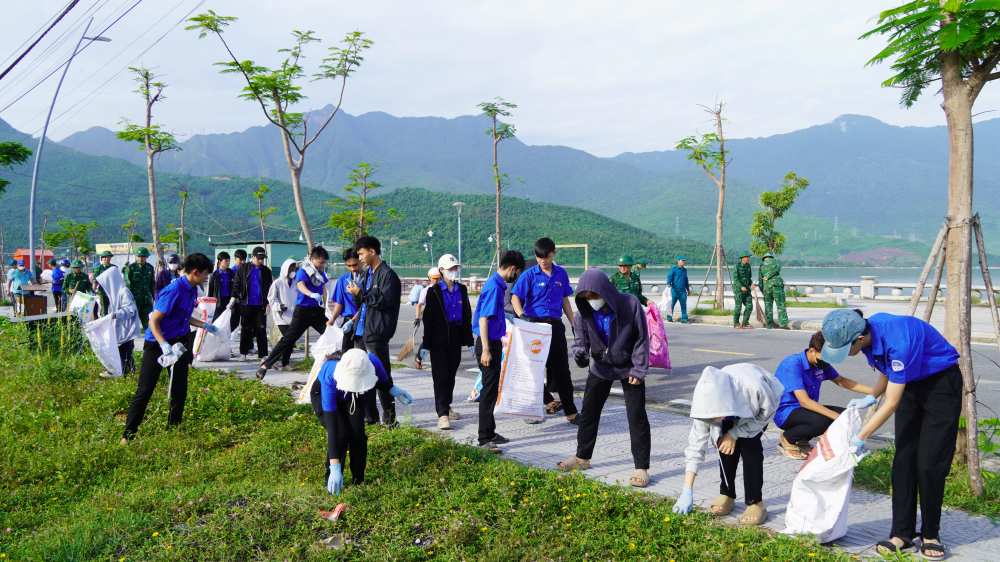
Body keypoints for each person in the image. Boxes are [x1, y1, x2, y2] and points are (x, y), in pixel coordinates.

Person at [820, 309, 960, 560]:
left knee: (930, 464)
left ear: (859, 339)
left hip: (940, 385)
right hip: (909, 382)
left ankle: (930, 534)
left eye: (845, 349)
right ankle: (901, 534)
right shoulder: (868, 329)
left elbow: (892, 402)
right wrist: (872, 396)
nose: (846, 355)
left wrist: (862, 435)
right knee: (904, 461)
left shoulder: (899, 341)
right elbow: (888, 368)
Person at [558, 268, 652, 487]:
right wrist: (580, 354)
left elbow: (641, 339)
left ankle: (641, 467)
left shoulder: (630, 304)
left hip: (629, 368)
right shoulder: (584, 311)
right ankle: (582, 458)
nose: (592, 302)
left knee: (636, 416)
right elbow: (580, 340)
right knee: (589, 413)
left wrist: (639, 370)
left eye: (594, 297)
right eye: (586, 298)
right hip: (600, 367)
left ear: (605, 291)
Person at [120, 253, 219, 443]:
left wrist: (203, 325)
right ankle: (128, 435)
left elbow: (182, 316)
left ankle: (174, 428)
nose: (207, 278)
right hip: (158, 344)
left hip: (179, 343)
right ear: (195, 272)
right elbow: (154, 321)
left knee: (179, 388)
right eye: (206, 274)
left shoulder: (192, 289)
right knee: (145, 389)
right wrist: (164, 345)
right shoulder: (173, 290)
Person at [672, 363, 784, 526]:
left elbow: (765, 415)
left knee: (749, 446)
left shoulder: (754, 389)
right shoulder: (705, 405)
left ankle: (755, 502)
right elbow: (696, 446)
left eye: (714, 415)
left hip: (758, 410)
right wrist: (687, 490)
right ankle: (727, 494)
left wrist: (733, 433)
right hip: (732, 409)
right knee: (723, 445)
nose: (711, 420)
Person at [312, 348, 414, 494]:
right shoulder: (329, 373)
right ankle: (331, 481)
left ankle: (358, 481)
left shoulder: (371, 361)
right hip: (325, 395)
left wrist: (395, 391)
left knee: (358, 436)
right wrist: (334, 467)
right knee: (342, 434)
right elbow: (333, 427)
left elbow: (382, 382)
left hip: (354, 395)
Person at [773, 331, 873, 460]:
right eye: (824, 358)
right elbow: (804, 401)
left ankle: (803, 439)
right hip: (787, 412)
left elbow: (841, 381)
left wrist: (876, 391)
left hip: (805, 411)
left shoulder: (819, 363)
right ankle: (787, 439)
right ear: (812, 351)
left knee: (847, 414)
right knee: (822, 421)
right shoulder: (793, 364)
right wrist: (836, 418)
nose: (826, 362)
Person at [511, 237, 579, 425]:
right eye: (539, 257)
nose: (543, 260)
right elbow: (516, 297)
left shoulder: (561, 274)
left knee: (562, 372)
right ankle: (532, 412)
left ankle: (571, 413)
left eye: (546, 257)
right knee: (533, 370)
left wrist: (574, 324)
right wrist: (522, 315)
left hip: (555, 327)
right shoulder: (529, 274)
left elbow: (566, 300)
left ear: (554, 254)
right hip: (534, 327)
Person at [346, 235, 402, 426]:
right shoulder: (365, 274)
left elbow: (385, 303)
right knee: (362, 375)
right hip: (361, 332)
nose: (359, 258)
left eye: (361, 254)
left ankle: (390, 420)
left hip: (377, 333)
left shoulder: (388, 275)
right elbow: (362, 301)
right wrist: (354, 293)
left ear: (372, 251)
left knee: (381, 377)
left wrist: (360, 294)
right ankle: (371, 417)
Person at [473, 250, 525, 453]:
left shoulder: (495, 284)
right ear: (512, 269)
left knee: (492, 389)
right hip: (488, 345)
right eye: (517, 273)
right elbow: (483, 319)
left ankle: (491, 431)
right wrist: (486, 350)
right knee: (488, 391)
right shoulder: (494, 287)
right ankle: (484, 438)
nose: (516, 277)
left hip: (492, 343)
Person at [421, 254, 474, 430]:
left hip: (456, 337)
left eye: (455, 268)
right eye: (450, 269)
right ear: (441, 270)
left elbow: (467, 316)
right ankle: (442, 414)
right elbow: (428, 320)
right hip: (438, 340)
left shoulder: (462, 289)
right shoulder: (434, 291)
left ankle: (447, 406)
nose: (454, 271)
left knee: (451, 374)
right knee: (440, 376)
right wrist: (425, 345)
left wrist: (470, 341)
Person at [258, 246, 328, 377]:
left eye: (324, 263)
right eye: (321, 262)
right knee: (288, 340)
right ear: (312, 259)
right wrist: (311, 294)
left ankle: (337, 362)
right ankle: (265, 365)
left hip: (317, 311)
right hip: (303, 311)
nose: (322, 265)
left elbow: (327, 285)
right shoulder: (303, 271)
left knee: (332, 332)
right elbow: (300, 285)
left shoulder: (320, 274)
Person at [96, 266, 141, 378]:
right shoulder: (114, 294)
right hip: (120, 329)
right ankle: (124, 373)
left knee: (126, 354)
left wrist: (115, 315)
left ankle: (129, 375)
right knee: (120, 353)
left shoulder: (123, 292)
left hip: (126, 330)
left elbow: (130, 310)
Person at [233, 247, 273, 362]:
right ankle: (243, 352)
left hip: (260, 304)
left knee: (261, 328)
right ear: (253, 256)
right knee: (245, 328)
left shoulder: (266, 271)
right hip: (247, 303)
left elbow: (269, 288)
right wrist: (234, 297)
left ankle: (262, 354)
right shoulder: (243, 268)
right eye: (258, 258)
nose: (260, 261)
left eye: (262, 259)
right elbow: (237, 284)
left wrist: (268, 303)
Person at [265, 258, 300, 371]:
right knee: (287, 340)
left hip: (293, 317)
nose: (293, 271)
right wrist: (278, 306)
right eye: (291, 269)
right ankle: (280, 362)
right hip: (281, 317)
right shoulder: (277, 283)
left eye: (294, 269)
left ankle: (280, 361)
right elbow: (271, 298)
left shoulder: (296, 283)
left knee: (288, 341)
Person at [328, 248, 364, 352]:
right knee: (346, 352)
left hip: (363, 319)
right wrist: (332, 319)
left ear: (361, 262)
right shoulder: (343, 279)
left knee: (361, 352)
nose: (352, 269)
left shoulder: (369, 279)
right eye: (349, 266)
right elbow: (340, 302)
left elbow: (366, 305)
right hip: (348, 320)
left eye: (355, 265)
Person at [413, 267, 442, 369]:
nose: (435, 280)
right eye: (433, 278)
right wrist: (417, 318)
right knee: (430, 339)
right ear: (429, 278)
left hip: (442, 318)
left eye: (438, 278)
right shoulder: (425, 291)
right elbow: (419, 305)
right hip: (430, 318)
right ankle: (419, 357)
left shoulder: (444, 289)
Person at [124, 247, 156, 331]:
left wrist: (155, 298)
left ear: (147, 257)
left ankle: (149, 342)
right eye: (138, 256)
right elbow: (127, 285)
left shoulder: (150, 268)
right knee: (132, 325)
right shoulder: (131, 268)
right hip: (134, 300)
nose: (140, 258)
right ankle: (131, 344)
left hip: (146, 301)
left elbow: (152, 285)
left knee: (149, 324)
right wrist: (129, 300)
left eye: (143, 256)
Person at [208, 252, 239, 333]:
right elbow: (210, 291)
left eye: (229, 261)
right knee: (218, 323)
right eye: (226, 261)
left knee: (230, 323)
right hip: (218, 302)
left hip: (229, 301)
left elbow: (235, 287)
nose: (228, 263)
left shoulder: (231, 273)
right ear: (219, 261)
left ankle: (226, 339)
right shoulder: (214, 275)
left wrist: (234, 302)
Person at [760, 252, 789, 330]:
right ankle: (783, 324)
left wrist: (762, 289)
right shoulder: (776, 261)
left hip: (767, 288)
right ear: (771, 257)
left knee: (768, 307)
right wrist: (770, 275)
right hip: (777, 287)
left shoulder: (762, 265)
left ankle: (768, 324)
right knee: (781, 305)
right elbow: (777, 269)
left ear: (764, 259)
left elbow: (760, 279)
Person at [666, 255, 691, 323]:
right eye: (682, 260)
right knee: (672, 304)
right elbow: (669, 277)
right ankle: (669, 317)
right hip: (674, 290)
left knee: (683, 305)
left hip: (683, 291)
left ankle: (684, 319)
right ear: (678, 261)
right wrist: (668, 284)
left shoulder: (685, 270)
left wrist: (688, 290)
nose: (683, 262)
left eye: (684, 261)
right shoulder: (673, 269)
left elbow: (686, 280)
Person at [733, 251, 754, 329]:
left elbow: (749, 278)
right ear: (742, 258)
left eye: (749, 257)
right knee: (738, 307)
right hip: (739, 290)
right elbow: (736, 279)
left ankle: (745, 322)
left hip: (747, 290)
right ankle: (736, 323)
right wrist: (741, 287)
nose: (748, 258)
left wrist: (751, 284)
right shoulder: (737, 266)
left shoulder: (748, 266)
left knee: (749, 306)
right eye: (747, 257)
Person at [230, 249, 247, 341]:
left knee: (247, 324)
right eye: (240, 259)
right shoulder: (231, 272)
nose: (242, 262)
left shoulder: (247, 270)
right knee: (233, 324)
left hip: (246, 301)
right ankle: (227, 345)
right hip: (236, 302)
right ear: (235, 258)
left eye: (244, 259)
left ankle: (249, 346)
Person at [92, 250, 117, 316]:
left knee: (114, 308)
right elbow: (95, 280)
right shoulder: (98, 268)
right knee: (104, 309)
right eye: (105, 257)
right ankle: (104, 322)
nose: (107, 259)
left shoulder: (114, 267)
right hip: (103, 292)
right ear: (102, 258)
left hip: (113, 291)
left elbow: (117, 279)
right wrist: (93, 291)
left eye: (109, 257)